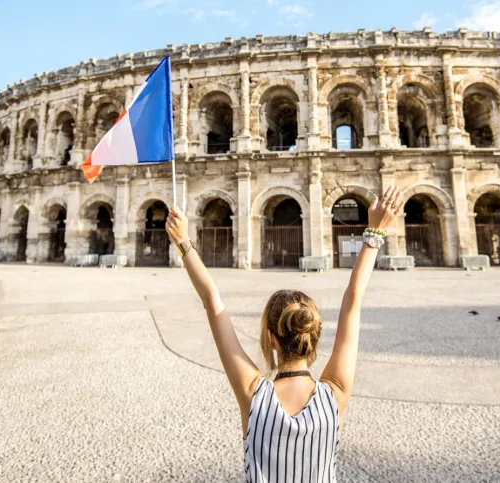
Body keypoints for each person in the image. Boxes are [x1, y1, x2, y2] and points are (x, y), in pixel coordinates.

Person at [164, 185, 403, 483]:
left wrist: (182, 241)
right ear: (314, 334)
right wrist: (375, 233)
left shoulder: (254, 394)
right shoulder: (334, 395)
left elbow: (212, 301)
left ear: (270, 337)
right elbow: (352, 302)